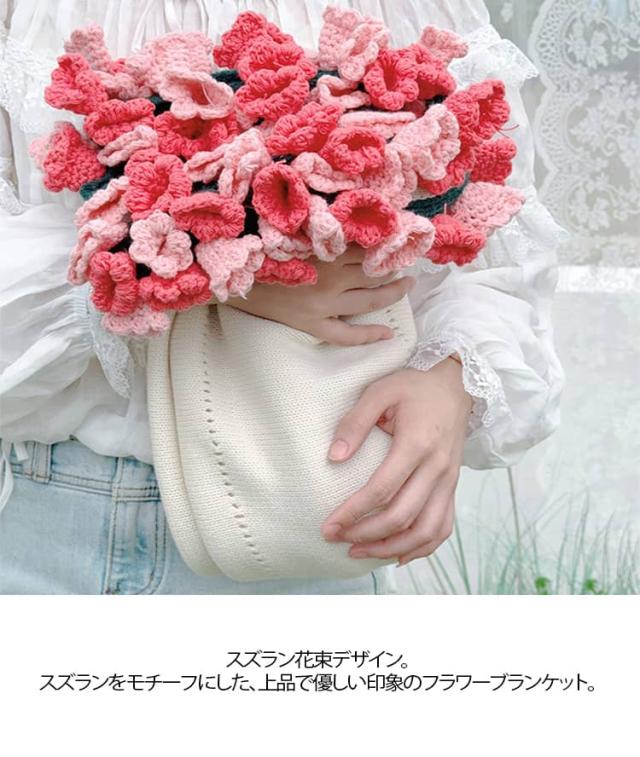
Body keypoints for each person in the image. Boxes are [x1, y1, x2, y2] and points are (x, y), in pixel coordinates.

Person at [0, 0, 566, 594]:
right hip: (49, 524)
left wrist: (452, 380)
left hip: (311, 505)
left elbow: (499, 255)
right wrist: (225, 278)